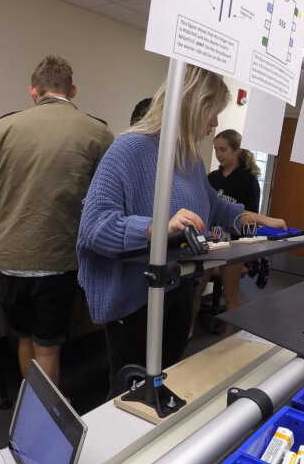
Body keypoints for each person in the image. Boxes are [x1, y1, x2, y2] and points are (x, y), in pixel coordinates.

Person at [77, 65, 285, 398]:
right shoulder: (128, 149)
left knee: (168, 381)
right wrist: (156, 227)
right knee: (131, 393)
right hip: (135, 300)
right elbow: (94, 226)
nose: (215, 122)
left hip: (177, 290)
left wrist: (259, 219)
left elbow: (216, 208)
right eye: (212, 112)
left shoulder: (191, 160)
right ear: (192, 105)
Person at [0, 55, 114, 387]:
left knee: (24, 337)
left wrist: (8, 230)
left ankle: (35, 409)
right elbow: (105, 202)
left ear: (33, 91)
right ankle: (47, 414)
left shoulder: (3, 127)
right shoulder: (98, 132)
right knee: (48, 347)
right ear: (72, 90)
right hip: (58, 258)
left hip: (9, 258)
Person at [197, 129, 264, 337]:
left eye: (223, 150)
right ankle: (187, 331)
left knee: (231, 294)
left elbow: (251, 217)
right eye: (216, 150)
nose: (218, 154)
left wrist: (247, 252)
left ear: (236, 150)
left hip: (234, 244)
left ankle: (228, 337)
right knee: (195, 291)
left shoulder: (248, 180)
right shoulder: (212, 178)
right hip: (209, 241)